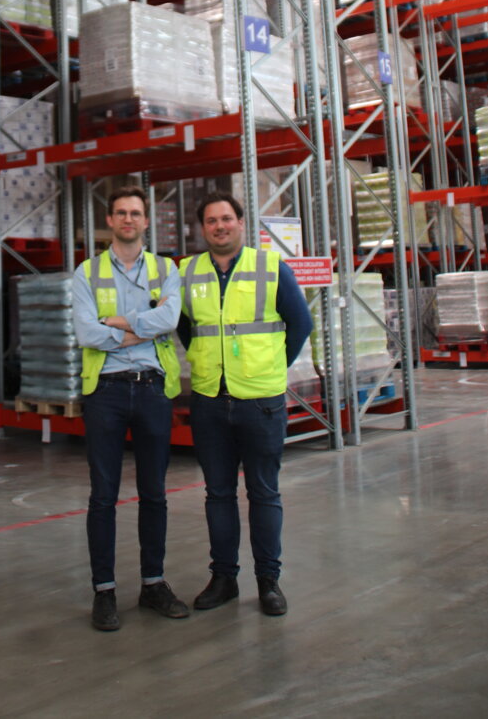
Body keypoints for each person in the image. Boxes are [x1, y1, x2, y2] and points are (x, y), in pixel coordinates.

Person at [178, 192, 313, 617]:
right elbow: (186, 329)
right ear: (203, 229)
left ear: (241, 222)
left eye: (227, 219)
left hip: (261, 402)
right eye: (211, 221)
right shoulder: (187, 272)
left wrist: (271, 365)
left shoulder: (271, 267)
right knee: (217, 494)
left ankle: (268, 582)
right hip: (209, 401)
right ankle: (223, 578)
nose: (220, 227)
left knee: (264, 493)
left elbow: (300, 323)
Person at [72, 186, 189, 632]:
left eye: (135, 213)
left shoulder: (165, 269)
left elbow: (171, 320)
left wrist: (119, 323)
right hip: (106, 391)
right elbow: (87, 333)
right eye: (120, 213)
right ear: (111, 220)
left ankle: (153, 584)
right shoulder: (88, 272)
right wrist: (146, 327)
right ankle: (104, 590)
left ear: (146, 221)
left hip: (153, 389)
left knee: (154, 493)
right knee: (102, 496)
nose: (128, 219)